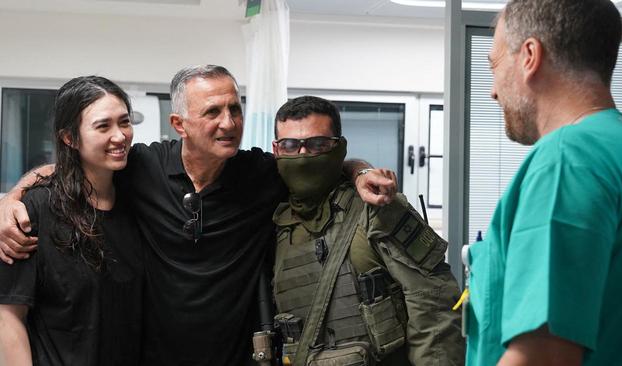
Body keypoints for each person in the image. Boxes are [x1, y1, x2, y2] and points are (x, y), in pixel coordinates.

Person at [0, 65, 397, 365]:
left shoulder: (260, 174)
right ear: (179, 124)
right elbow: (72, 167)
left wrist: (359, 170)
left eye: (235, 109)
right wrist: (11, 198)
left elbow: (315, 160)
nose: (229, 123)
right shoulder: (142, 168)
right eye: (212, 112)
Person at [467, 1, 622, 365]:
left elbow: (543, 356)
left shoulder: (567, 159)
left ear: (530, 56)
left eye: (494, 65)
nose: (492, 91)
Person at [271, 96, 465, 365]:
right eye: (291, 145)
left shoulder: (377, 207)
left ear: (339, 147)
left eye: (318, 144)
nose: (304, 156)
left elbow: (434, 305)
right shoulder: (273, 222)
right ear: (276, 150)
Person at [0, 76, 144, 365]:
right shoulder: (36, 209)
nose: (119, 136)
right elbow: (9, 317)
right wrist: (9, 199)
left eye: (124, 122)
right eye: (103, 126)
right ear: (70, 138)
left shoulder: (139, 197)